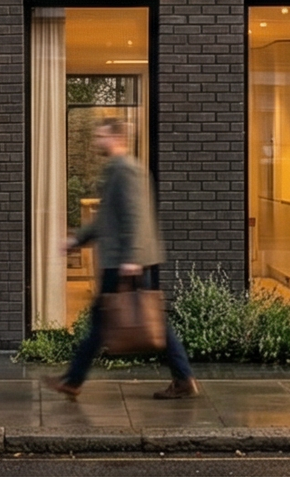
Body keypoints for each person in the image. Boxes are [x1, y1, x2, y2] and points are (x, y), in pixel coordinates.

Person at [48, 116, 199, 399]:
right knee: (126, 319)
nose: (96, 141)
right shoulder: (117, 169)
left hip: (124, 261)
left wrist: (131, 258)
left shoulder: (126, 170)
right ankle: (74, 380)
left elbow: (134, 216)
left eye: (101, 136)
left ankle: (74, 380)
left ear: (116, 138)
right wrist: (76, 240)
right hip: (122, 260)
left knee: (129, 319)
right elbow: (107, 219)